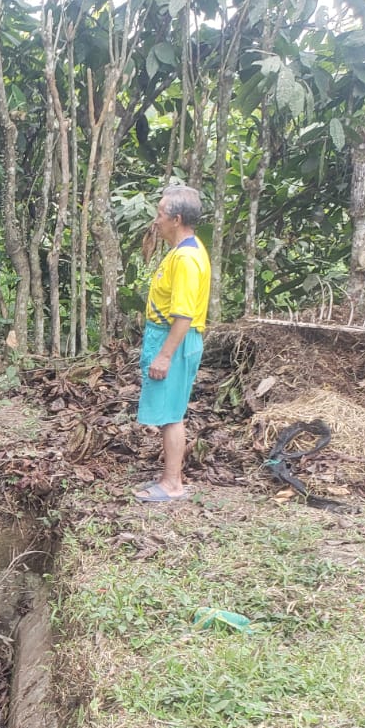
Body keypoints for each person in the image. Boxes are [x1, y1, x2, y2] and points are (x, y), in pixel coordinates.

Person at [134, 184, 211, 502]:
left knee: (171, 415)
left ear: (176, 219)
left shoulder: (187, 258)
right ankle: (170, 478)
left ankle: (172, 484)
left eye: (160, 214)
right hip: (167, 337)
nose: (156, 220)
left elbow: (184, 315)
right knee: (169, 412)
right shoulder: (182, 251)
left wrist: (165, 356)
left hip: (174, 340)